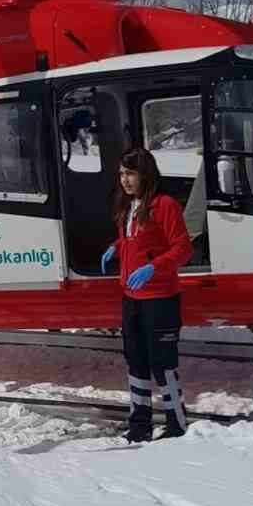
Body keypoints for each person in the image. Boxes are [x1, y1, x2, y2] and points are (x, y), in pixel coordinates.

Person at [101, 148, 193, 443]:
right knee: (136, 360)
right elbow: (137, 239)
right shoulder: (129, 206)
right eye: (121, 174)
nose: (124, 180)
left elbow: (182, 248)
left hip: (160, 297)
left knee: (162, 361)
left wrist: (154, 268)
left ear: (145, 174)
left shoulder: (165, 205)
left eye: (130, 173)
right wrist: (118, 246)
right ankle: (139, 424)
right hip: (131, 296)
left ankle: (176, 423)